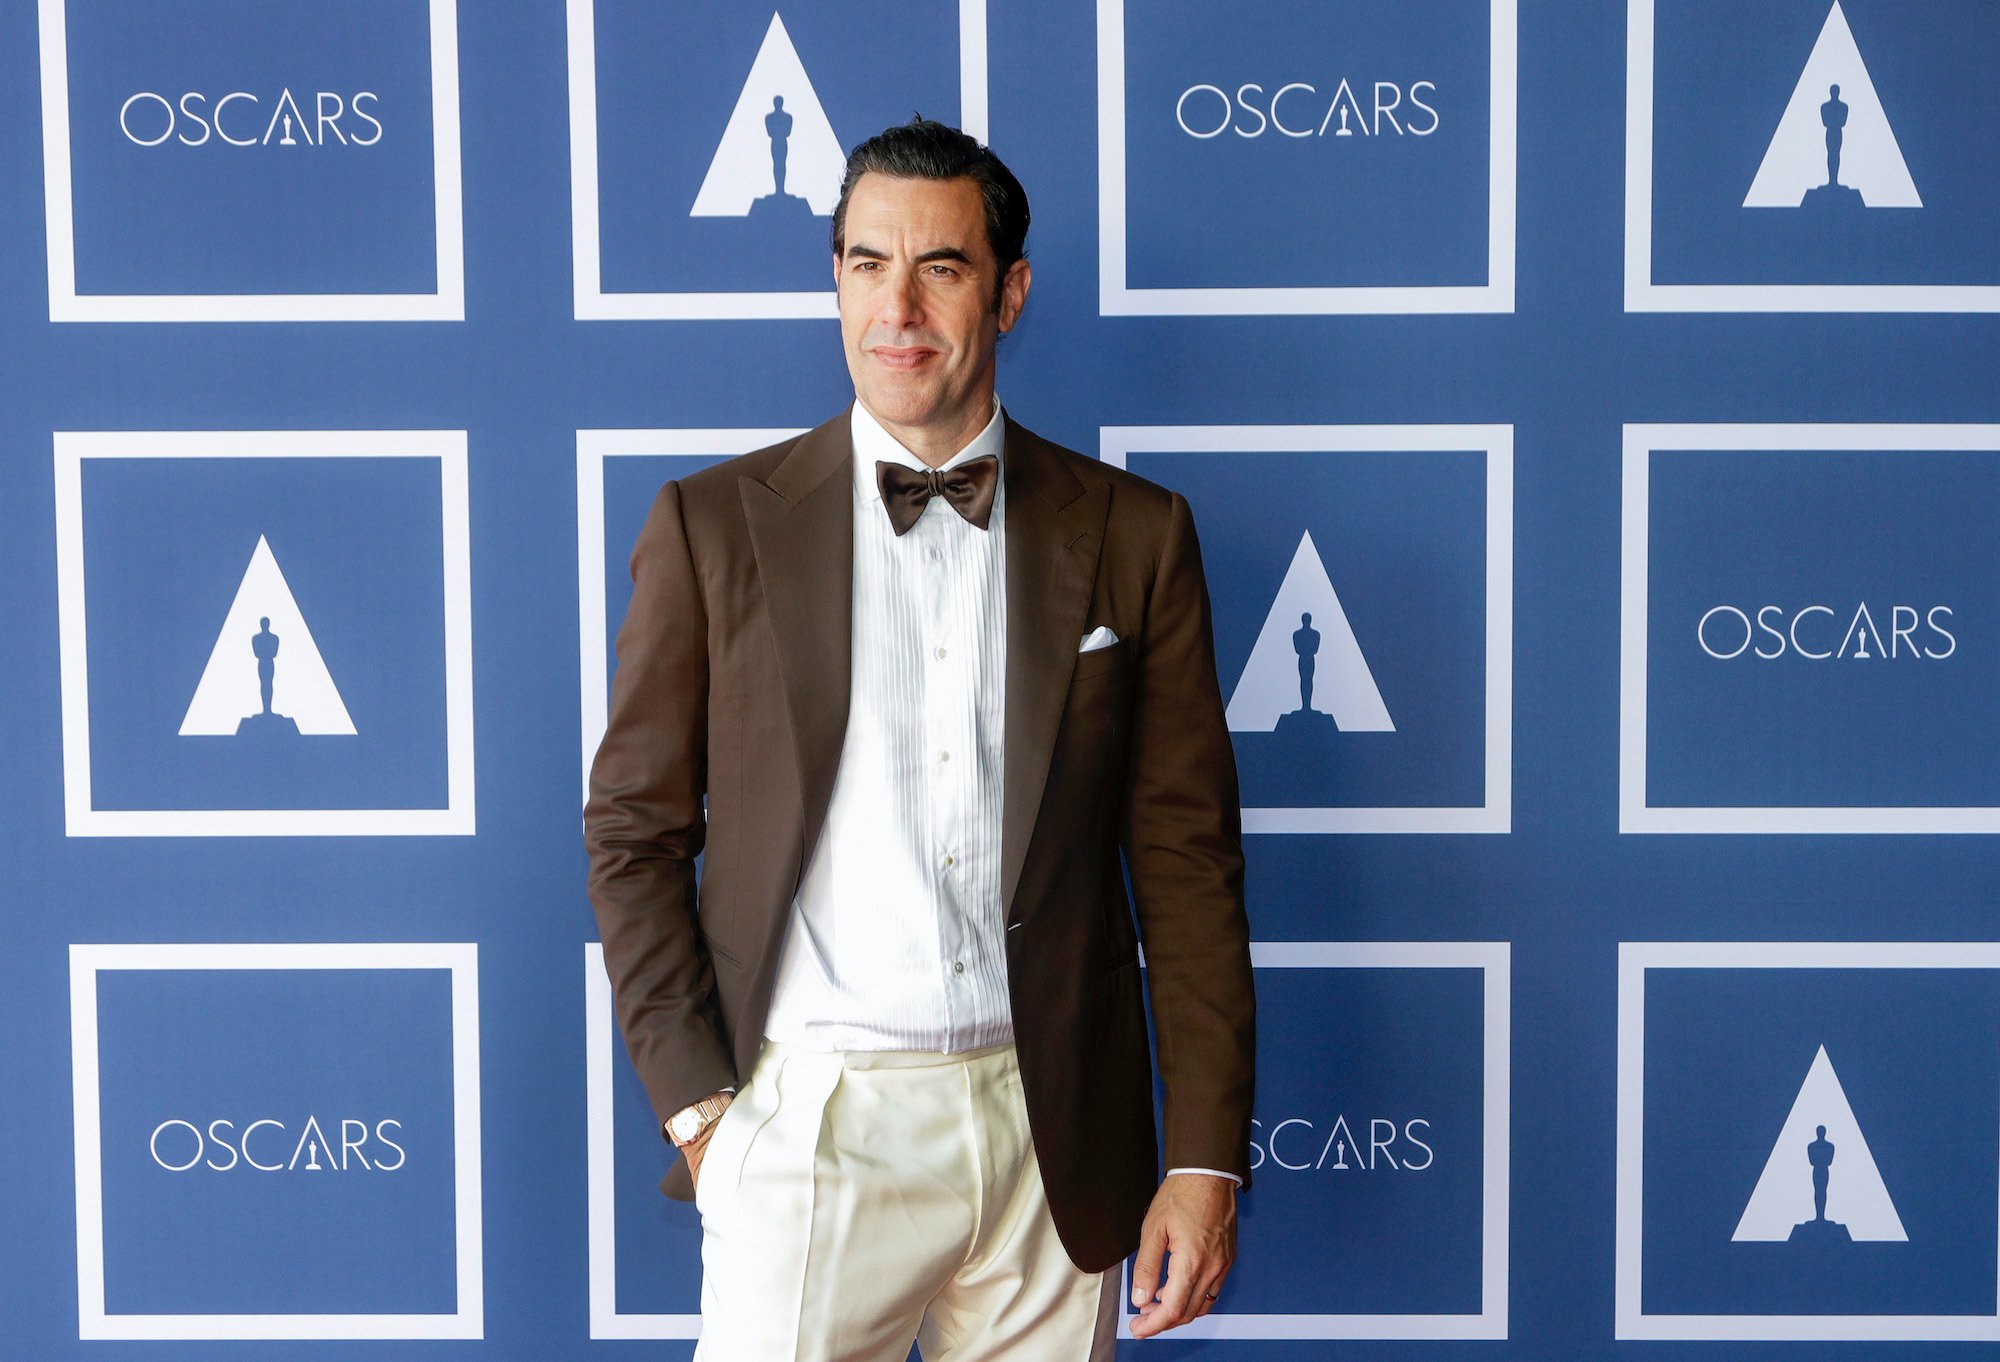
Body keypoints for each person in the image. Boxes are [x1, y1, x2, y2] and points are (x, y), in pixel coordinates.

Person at [585, 116, 1255, 1360]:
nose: (896, 308)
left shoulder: (1136, 533)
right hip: (814, 1131)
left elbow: (1185, 863)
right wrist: (703, 1115)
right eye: (863, 263)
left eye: (939, 268)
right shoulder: (713, 527)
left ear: (1007, 294)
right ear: (834, 278)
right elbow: (631, 831)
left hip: (1055, 1133)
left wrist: (1205, 1155)